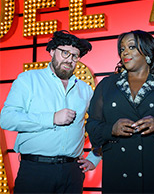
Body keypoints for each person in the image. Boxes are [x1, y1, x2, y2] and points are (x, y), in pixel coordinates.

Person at [86, 30, 154, 193]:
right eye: (122, 49)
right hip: (119, 176)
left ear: (148, 51)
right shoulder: (107, 85)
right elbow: (92, 127)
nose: (125, 52)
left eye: (131, 47)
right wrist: (111, 130)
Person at [0, 30, 101, 193]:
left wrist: (95, 158)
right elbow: (7, 119)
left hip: (72, 172)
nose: (70, 59)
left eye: (75, 56)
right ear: (52, 51)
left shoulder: (85, 89)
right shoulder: (28, 80)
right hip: (35, 171)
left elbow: (100, 125)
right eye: (65, 53)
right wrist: (51, 118)